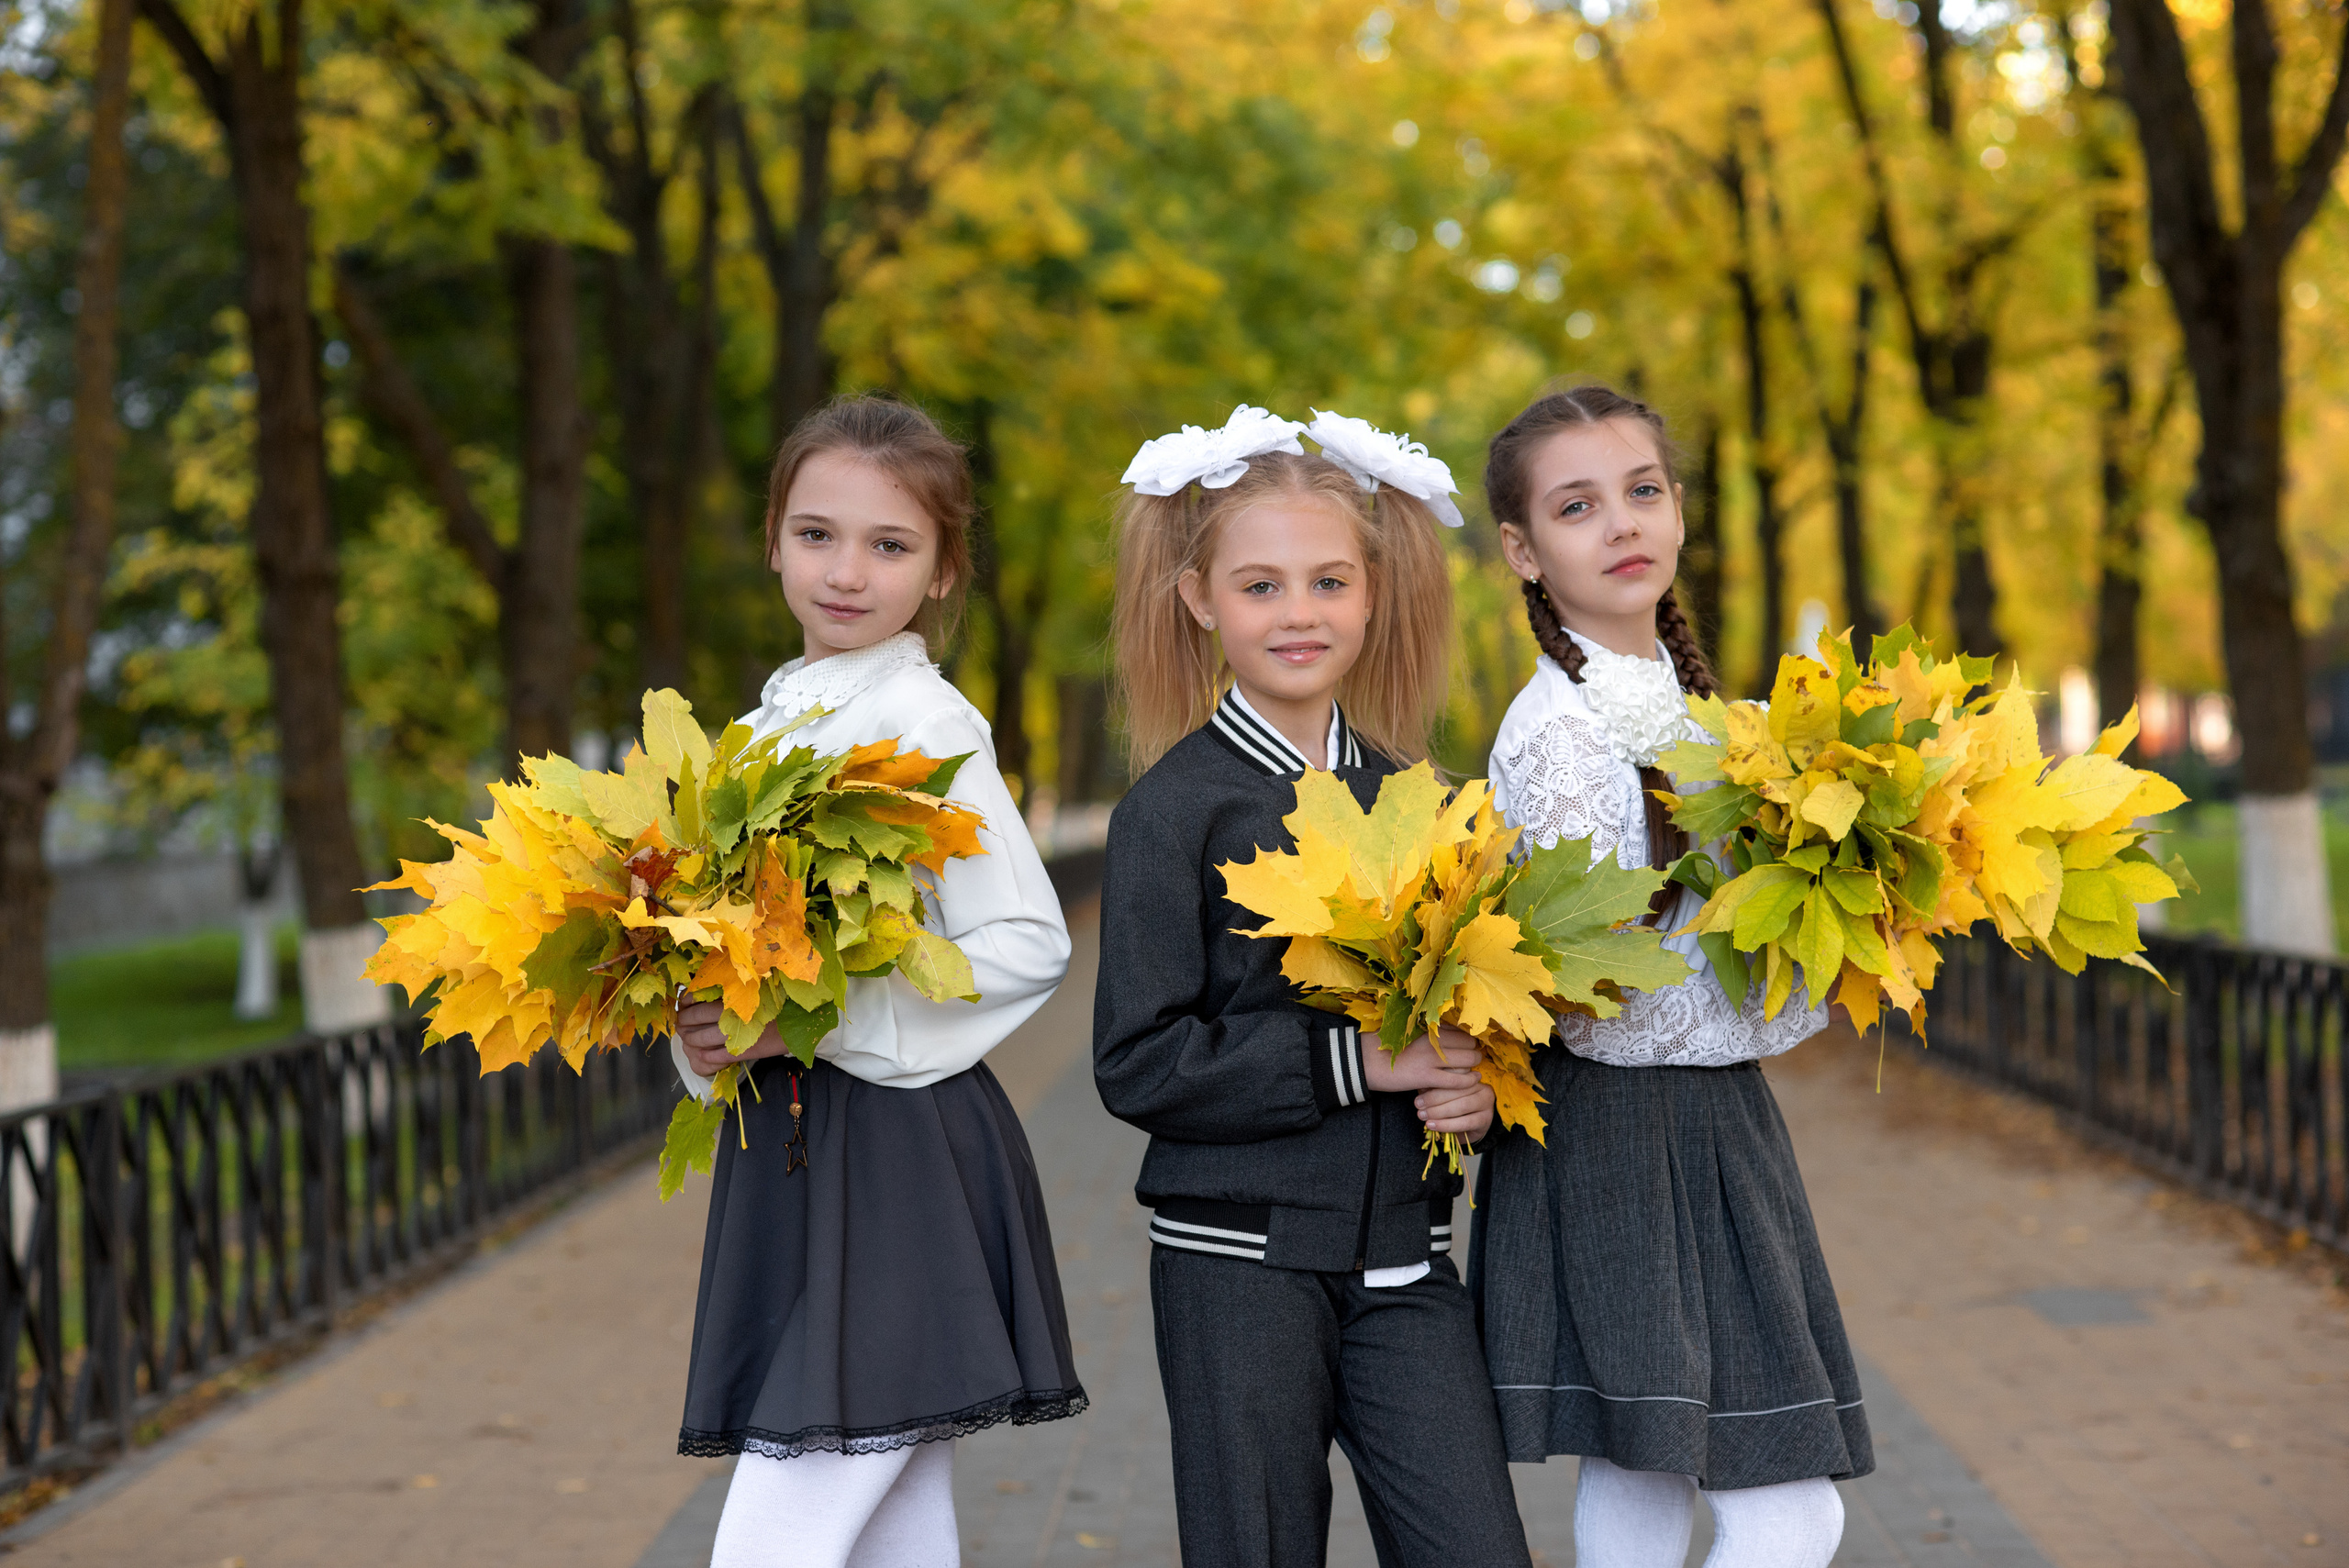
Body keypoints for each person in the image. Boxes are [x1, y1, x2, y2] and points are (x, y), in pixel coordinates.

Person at [1093, 405, 1532, 1568]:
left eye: (1329, 580)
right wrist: (1358, 1062)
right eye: (1261, 585)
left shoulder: (1423, 801)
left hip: (1405, 1263)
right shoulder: (1169, 812)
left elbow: (1456, 1009)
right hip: (1236, 1269)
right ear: (1200, 600)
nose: (1299, 612)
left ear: (1373, 591)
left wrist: (1473, 1084)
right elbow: (1135, 1062)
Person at [670, 395, 1084, 1568]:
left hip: (896, 1151)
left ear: (943, 567)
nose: (846, 571)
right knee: (895, 1527)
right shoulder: (758, 727)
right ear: (772, 538)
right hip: (798, 1153)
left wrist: (809, 1016)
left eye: (890, 544)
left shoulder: (921, 716)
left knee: (775, 1532)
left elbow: (1025, 939)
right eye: (817, 534)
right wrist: (703, 1033)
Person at [1468, 384, 1870, 1568]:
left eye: (1641, 490)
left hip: (1704, 1113)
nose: (1619, 523)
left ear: (1679, 508)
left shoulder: (1708, 713)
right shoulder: (1561, 729)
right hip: (1623, 1125)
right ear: (1521, 549)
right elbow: (1607, 988)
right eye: (1576, 505)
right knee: (1791, 1511)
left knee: (1640, 1477)